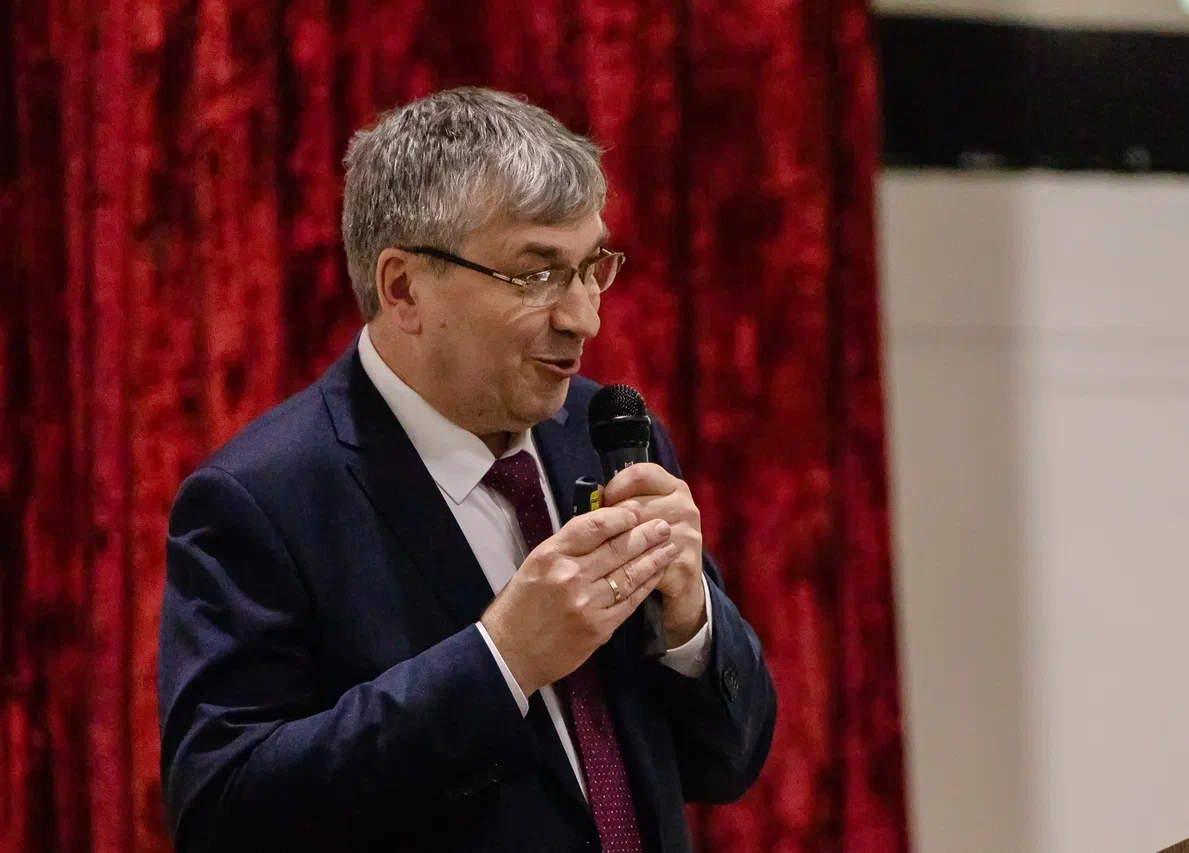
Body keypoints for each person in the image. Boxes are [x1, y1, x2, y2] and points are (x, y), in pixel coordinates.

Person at [157, 86, 776, 853]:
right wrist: (501, 659)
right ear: (403, 288)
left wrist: (692, 626)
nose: (583, 317)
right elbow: (224, 810)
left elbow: (727, 761)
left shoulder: (608, 437)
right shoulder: (261, 502)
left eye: (591, 267)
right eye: (537, 274)